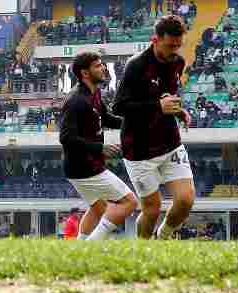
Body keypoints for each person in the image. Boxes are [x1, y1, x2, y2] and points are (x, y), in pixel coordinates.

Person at [113, 16, 193, 240]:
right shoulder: (136, 65)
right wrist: (157, 106)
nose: (174, 50)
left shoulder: (178, 62)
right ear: (155, 40)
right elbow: (119, 107)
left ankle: (164, 236)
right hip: (139, 150)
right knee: (152, 209)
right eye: (170, 45)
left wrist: (178, 111)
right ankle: (144, 249)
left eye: (178, 45)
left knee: (186, 200)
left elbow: (165, 96)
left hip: (169, 142)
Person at [59, 52, 138, 240]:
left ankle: (80, 248)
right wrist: (99, 148)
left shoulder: (94, 92)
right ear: (85, 73)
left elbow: (106, 118)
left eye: (102, 64)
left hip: (81, 167)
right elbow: (66, 138)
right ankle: (92, 246)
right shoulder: (76, 101)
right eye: (97, 66)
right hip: (85, 168)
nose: (103, 68)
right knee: (129, 202)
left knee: (98, 207)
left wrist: (133, 123)